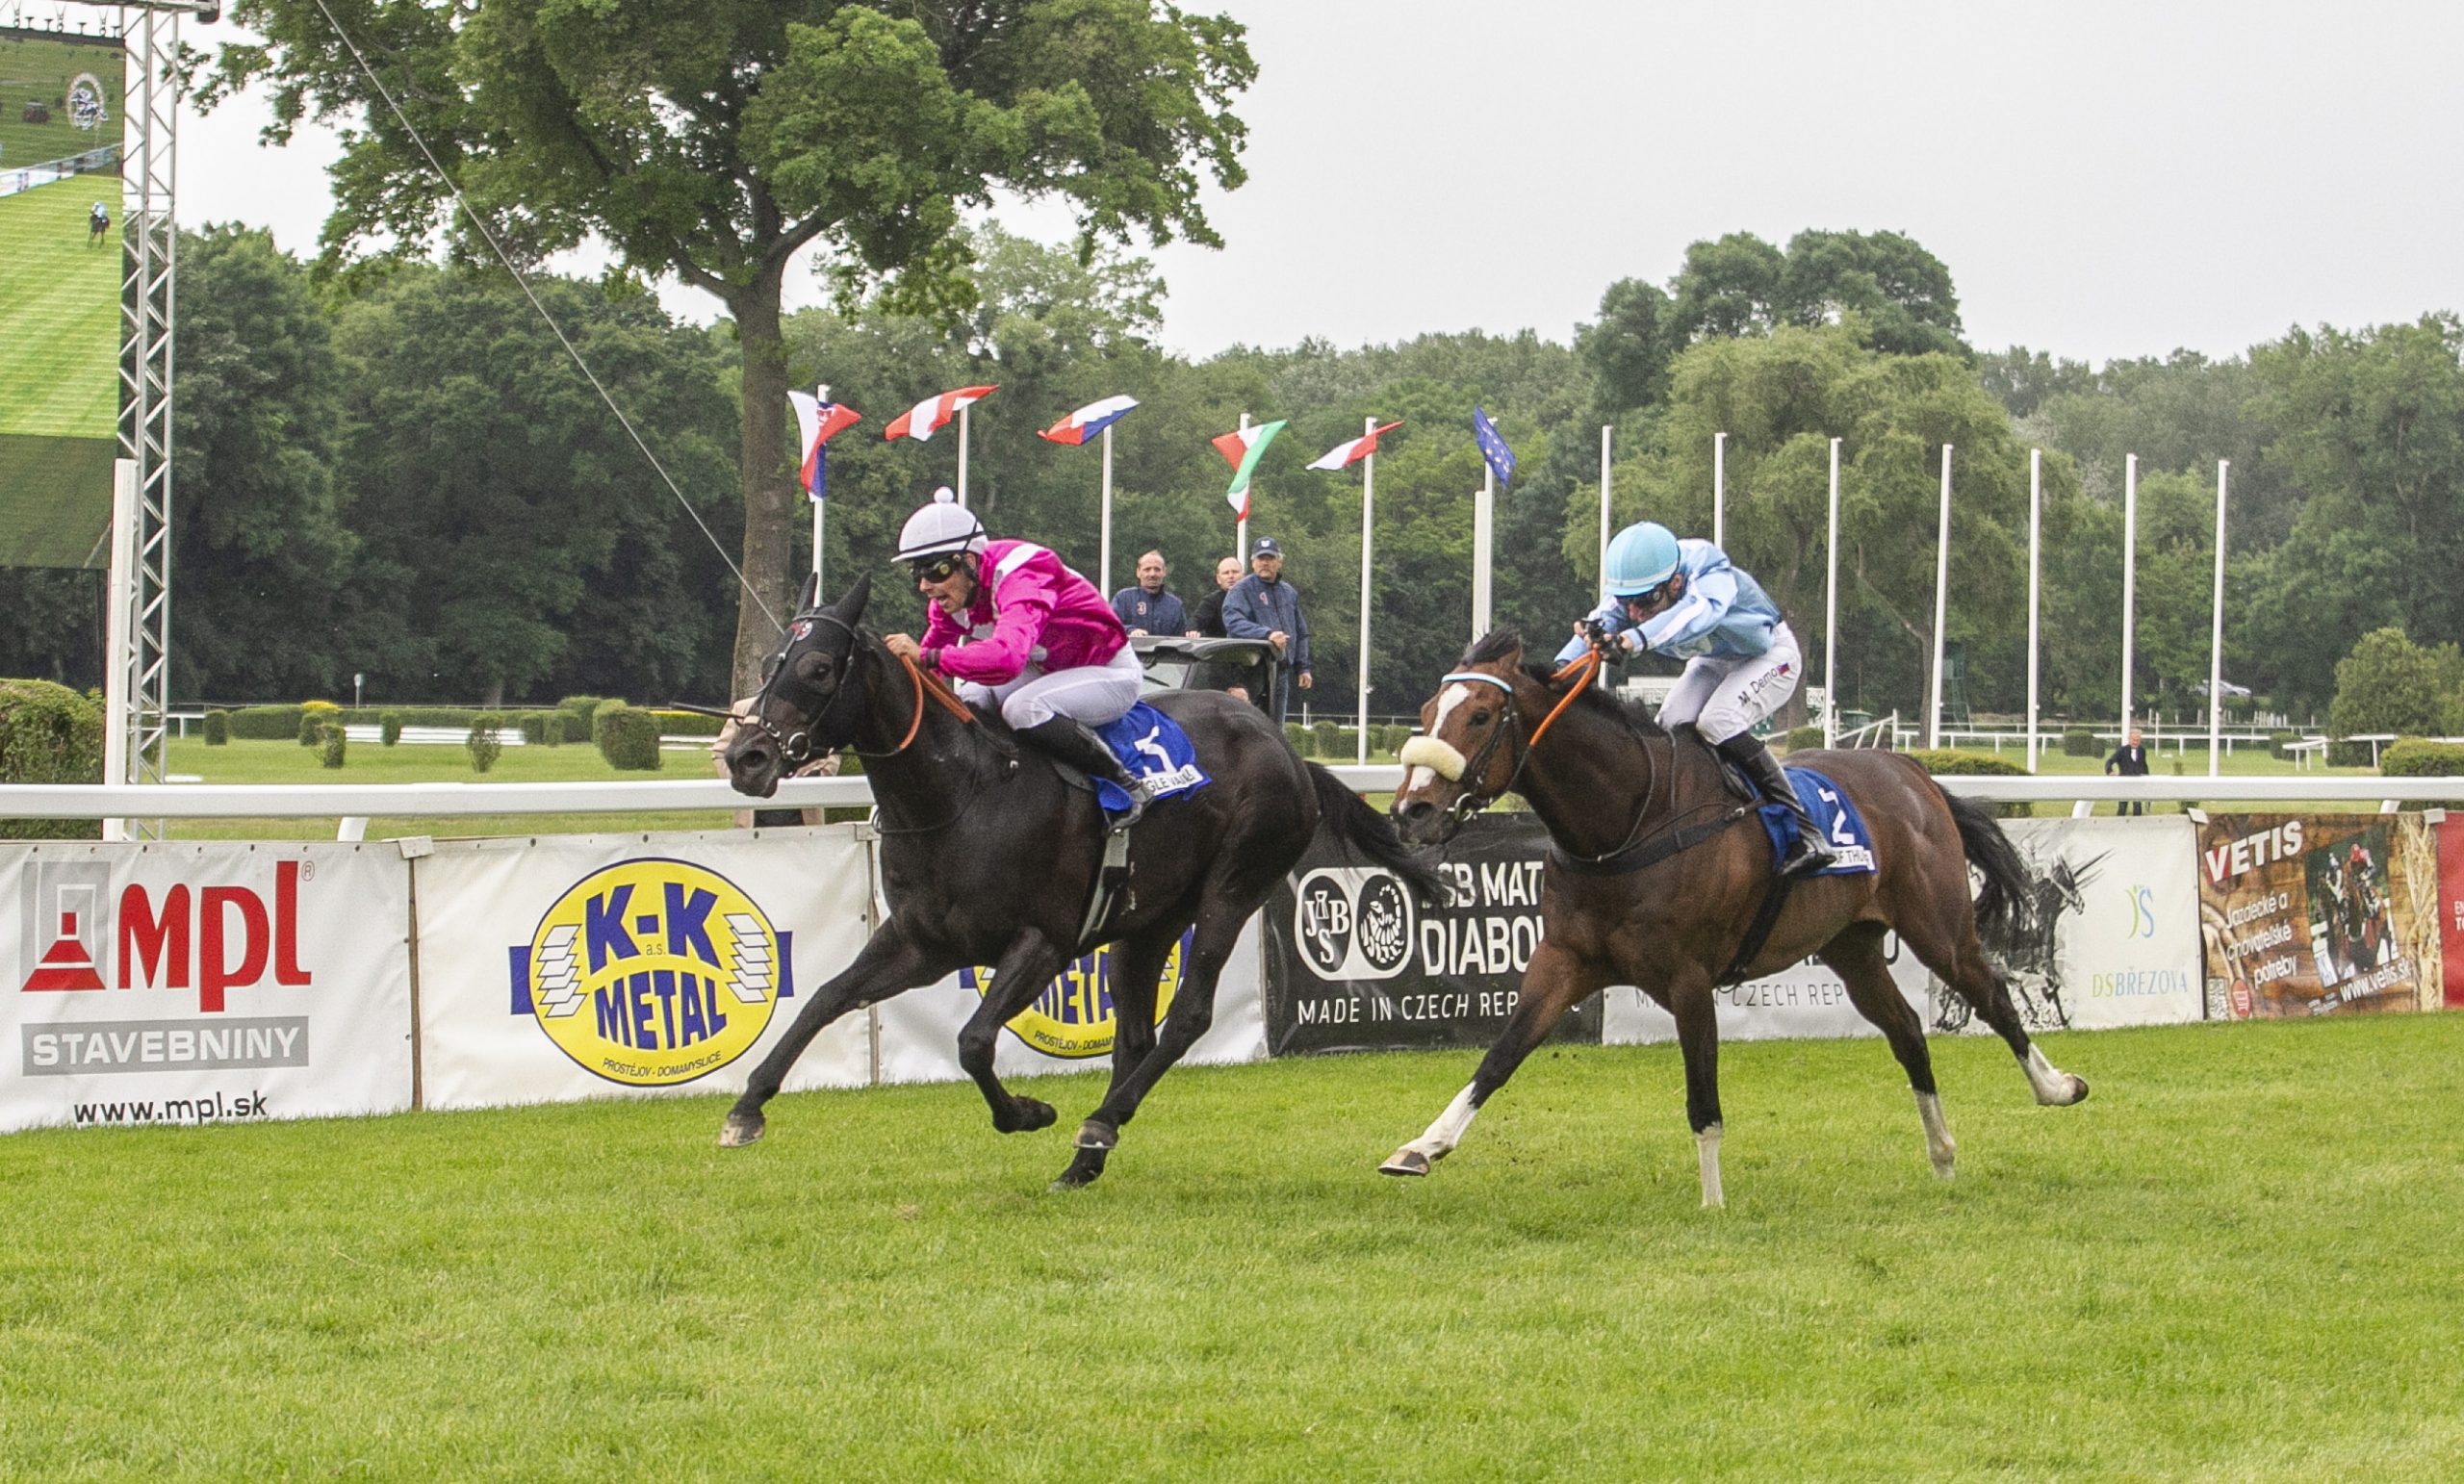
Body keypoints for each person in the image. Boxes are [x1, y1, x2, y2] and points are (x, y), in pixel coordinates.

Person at [1558, 520, 1835, 877]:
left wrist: (1633, 639)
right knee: (1669, 725)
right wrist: (1560, 670)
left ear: (1675, 582)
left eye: (1644, 602)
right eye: (1628, 603)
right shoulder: (1645, 583)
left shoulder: (1709, 571)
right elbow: (1600, 624)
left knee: (1717, 721)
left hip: (1770, 656)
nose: (1634, 613)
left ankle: (1805, 831)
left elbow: (1696, 615)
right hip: (1715, 660)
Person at [881, 488, 1150, 830]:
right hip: (1044, 668)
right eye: (916, 574)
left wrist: (928, 655)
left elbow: (1006, 658)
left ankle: (1126, 785)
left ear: (969, 562)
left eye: (934, 571)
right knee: (970, 698)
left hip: (1107, 669)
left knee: (1023, 708)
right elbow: (928, 672)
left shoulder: (1022, 576)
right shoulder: (951, 597)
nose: (924, 586)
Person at [1223, 538, 1314, 723]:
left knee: (1275, 730)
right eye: (1261, 558)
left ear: (1279, 562)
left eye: (1270, 558)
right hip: (1249, 672)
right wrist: (1266, 634)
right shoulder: (1241, 590)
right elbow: (1233, 622)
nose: (1265, 562)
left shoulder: (1289, 593)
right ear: (1252, 562)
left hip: (1279, 672)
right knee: (1247, 727)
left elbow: (1301, 632)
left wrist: (1302, 667)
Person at [1110, 550, 1187, 636]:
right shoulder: (1123, 598)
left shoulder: (1175, 605)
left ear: (1164, 572)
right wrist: (1130, 630)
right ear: (1138, 572)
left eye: (1157, 569)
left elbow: (1181, 639)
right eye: (1147, 569)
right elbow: (1109, 625)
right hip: (1130, 649)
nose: (1152, 574)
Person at [1190, 555, 1242, 639]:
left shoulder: (1253, 598)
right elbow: (1196, 621)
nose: (1231, 576)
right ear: (1218, 579)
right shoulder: (1211, 601)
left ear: (1244, 575)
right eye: (1226, 573)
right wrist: (1192, 630)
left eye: (1235, 572)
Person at [2104, 727, 2149, 815]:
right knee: (2122, 807)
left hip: (2137, 783)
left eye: (2137, 740)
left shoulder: (2142, 750)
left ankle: (2137, 826)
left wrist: (2147, 779)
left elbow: (2144, 765)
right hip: (2124, 783)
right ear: (2129, 739)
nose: (2135, 742)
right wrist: (2110, 772)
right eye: (2133, 740)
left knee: (2137, 806)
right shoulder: (2122, 750)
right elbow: (2109, 762)